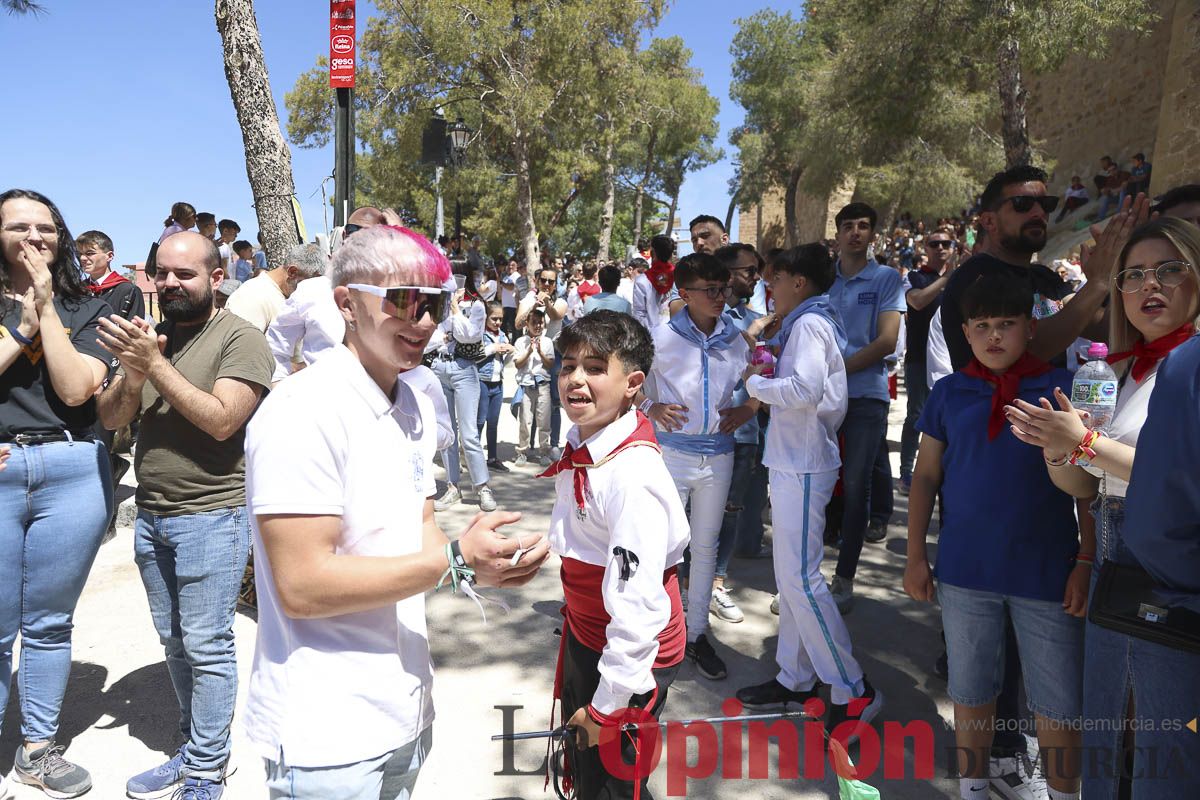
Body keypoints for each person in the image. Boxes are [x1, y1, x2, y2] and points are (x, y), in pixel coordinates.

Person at [242, 224, 549, 800]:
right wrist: (454, 558)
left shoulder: (414, 403)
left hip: (405, 708)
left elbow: (421, 539)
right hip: (326, 737)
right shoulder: (299, 413)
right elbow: (303, 585)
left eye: (435, 303)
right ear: (345, 304)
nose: (424, 320)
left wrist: (476, 567)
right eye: (403, 301)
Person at [1003, 217, 1200, 799]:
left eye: (1169, 269)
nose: (1149, 286)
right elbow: (1086, 492)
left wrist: (1086, 444)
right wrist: (1055, 451)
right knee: (1114, 748)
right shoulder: (1120, 369)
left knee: (1163, 758)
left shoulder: (1192, 363)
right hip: (1118, 568)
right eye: (1133, 275)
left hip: (1173, 578)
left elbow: (1176, 482)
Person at [96, 231, 274, 800]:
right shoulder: (153, 339)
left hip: (212, 516)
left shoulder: (242, 341)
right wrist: (136, 371)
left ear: (216, 277)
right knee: (174, 642)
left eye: (185, 274)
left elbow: (224, 419)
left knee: (206, 642)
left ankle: (205, 769)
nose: (170, 283)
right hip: (152, 516)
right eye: (162, 274)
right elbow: (110, 417)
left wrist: (155, 363)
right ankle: (193, 747)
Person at [904, 272, 1085, 800]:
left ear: (1030, 328)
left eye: (1007, 324)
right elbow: (926, 477)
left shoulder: (1060, 389)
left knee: (1056, 700)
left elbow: (1088, 484)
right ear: (966, 330)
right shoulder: (949, 392)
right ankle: (973, 788)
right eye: (982, 325)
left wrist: (1087, 559)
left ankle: (1062, 793)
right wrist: (916, 555)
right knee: (970, 689)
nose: (994, 336)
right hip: (965, 571)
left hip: (1047, 572)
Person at [536, 310, 689, 800]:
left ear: (633, 384)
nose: (576, 379)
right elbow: (583, 529)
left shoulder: (632, 477)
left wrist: (608, 707)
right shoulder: (589, 439)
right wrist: (539, 549)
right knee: (584, 768)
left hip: (630, 651)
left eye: (596, 367)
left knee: (613, 781)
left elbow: (638, 608)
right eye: (567, 365)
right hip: (588, 629)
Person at [735, 244, 883, 742]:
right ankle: (794, 678)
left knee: (800, 579)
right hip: (792, 459)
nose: (767, 288)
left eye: (773, 279)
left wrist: (758, 386)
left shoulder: (812, 324)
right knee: (791, 578)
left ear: (799, 282)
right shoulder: (807, 321)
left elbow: (804, 390)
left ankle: (851, 686)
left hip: (802, 461)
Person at [0, 189, 113, 799]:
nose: (34, 236)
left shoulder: (91, 303)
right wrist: (18, 330)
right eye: (18, 226)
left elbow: (75, 391)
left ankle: (37, 748)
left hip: (71, 468)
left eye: (46, 227)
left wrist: (44, 310)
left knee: (48, 621)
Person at [641, 253, 752, 681]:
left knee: (705, 547)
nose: (720, 297)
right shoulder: (660, 337)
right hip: (671, 455)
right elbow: (626, 381)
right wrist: (650, 405)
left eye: (723, 289)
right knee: (662, 544)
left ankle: (697, 633)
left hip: (720, 455)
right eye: (711, 290)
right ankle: (655, 631)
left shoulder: (737, 339)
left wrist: (751, 408)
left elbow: (762, 374)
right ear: (684, 294)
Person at [827, 202, 906, 610]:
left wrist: (835, 370)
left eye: (863, 225)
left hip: (865, 398)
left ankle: (844, 578)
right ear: (838, 233)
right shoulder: (825, 280)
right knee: (816, 484)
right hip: (823, 399)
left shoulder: (887, 278)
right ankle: (805, 581)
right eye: (848, 226)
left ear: (872, 234)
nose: (856, 232)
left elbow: (886, 341)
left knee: (856, 485)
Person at [711, 243, 773, 623]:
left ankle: (717, 584)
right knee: (692, 512)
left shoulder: (757, 318)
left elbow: (765, 373)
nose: (755, 277)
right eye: (749, 270)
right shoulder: (706, 316)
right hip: (706, 434)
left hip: (746, 432)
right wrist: (748, 335)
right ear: (727, 273)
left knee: (732, 511)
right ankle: (687, 585)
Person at [430, 269, 497, 512]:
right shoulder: (438, 303)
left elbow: (470, 336)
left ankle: (482, 487)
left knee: (469, 433)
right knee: (446, 431)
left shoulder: (476, 306)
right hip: (439, 366)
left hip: (464, 368)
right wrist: (444, 339)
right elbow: (431, 338)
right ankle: (452, 486)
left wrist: (457, 312)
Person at [899, 227, 958, 493]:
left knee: (949, 417)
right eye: (935, 243)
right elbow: (918, 302)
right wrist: (947, 279)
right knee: (916, 415)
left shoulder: (962, 279)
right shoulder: (914, 277)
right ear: (926, 246)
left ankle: (942, 471)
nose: (941, 248)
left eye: (945, 243)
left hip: (953, 358)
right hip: (919, 358)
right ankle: (907, 471)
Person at [515, 265, 569, 453]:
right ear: (537, 282)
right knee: (529, 400)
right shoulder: (528, 298)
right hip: (530, 352)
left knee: (553, 401)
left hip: (553, 352)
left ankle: (551, 445)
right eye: (543, 280)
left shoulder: (560, 301)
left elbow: (557, 315)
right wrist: (533, 305)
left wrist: (547, 304)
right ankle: (528, 445)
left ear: (555, 284)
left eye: (551, 281)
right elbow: (517, 322)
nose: (546, 284)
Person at [225, 243, 328, 333]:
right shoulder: (252, 296)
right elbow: (242, 350)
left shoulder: (288, 296)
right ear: (292, 272)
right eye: (312, 282)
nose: (314, 289)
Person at [513, 308, 555, 466]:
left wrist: (540, 352)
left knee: (544, 421)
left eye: (540, 322)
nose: (537, 326)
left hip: (543, 385)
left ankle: (544, 451)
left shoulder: (548, 342)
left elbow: (550, 364)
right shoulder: (520, 342)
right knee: (525, 421)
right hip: (526, 385)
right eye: (534, 322)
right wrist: (530, 351)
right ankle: (522, 451)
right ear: (527, 324)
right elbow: (517, 364)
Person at [477, 300, 513, 472]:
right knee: (479, 421)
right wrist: (493, 348)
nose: (498, 322)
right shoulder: (480, 335)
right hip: (482, 381)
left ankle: (492, 457)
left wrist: (510, 351)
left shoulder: (503, 335)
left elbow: (507, 361)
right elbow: (476, 356)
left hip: (498, 383)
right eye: (494, 319)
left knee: (493, 422)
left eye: (500, 319)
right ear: (485, 318)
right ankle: (474, 457)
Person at [631, 235, 675, 332]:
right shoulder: (680, 277)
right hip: (676, 335)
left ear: (652, 253)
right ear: (671, 255)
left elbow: (639, 314)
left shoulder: (641, 280)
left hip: (651, 336)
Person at [499, 257, 525, 340]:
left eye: (513, 265)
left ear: (517, 267)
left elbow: (511, 287)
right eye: (509, 265)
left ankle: (516, 345)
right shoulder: (505, 277)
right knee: (503, 327)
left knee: (515, 329)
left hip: (514, 306)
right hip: (505, 306)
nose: (510, 267)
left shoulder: (517, 276)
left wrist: (501, 283)